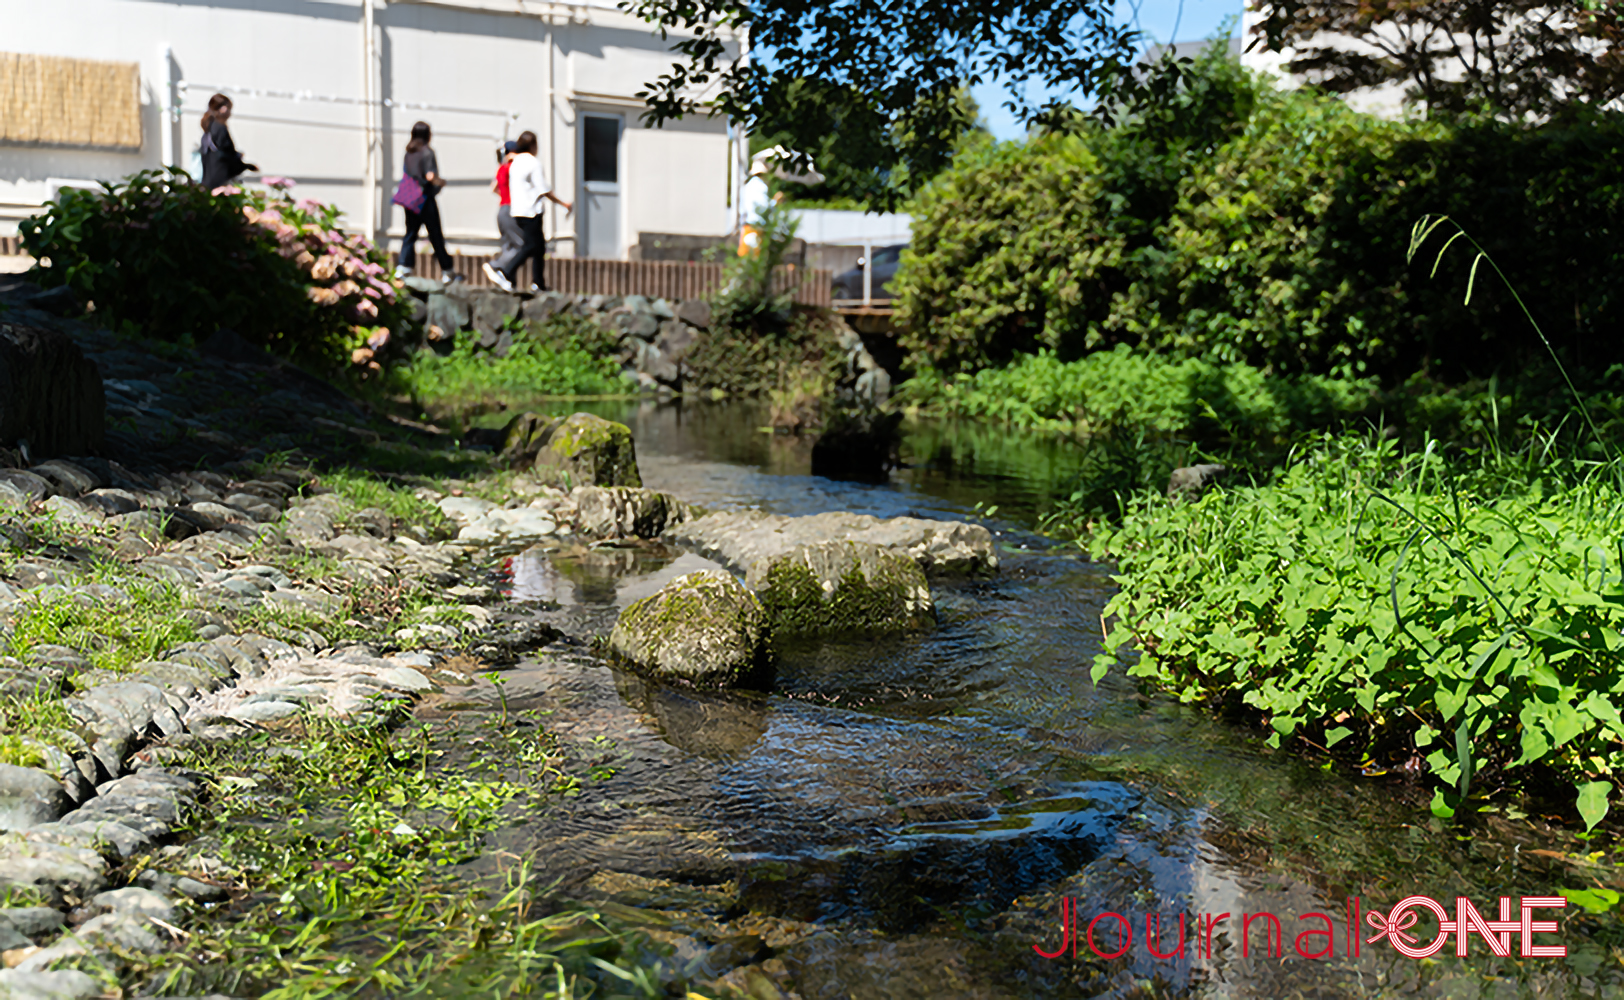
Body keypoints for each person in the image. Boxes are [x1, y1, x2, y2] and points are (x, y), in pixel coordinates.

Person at [484, 131, 570, 293]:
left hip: (516, 211)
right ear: (533, 145)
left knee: (538, 247)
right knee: (530, 245)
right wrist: (562, 203)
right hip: (531, 211)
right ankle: (505, 272)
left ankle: (538, 282)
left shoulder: (515, 163)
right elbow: (543, 189)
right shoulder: (533, 163)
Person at [395, 121, 459, 282]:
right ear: (427, 135)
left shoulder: (409, 153)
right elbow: (430, 176)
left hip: (409, 198)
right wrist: (441, 182)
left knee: (410, 233)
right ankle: (447, 270)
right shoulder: (427, 152)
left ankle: (404, 266)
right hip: (424, 197)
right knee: (435, 234)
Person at [198, 94, 257, 191]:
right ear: (222, 108)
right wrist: (243, 163)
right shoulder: (219, 128)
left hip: (208, 178)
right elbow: (225, 153)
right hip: (220, 179)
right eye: (229, 108)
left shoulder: (209, 127)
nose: (230, 112)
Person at [490, 140, 522, 271]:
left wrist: (504, 193)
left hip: (502, 209)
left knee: (507, 245)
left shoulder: (501, 168)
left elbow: (493, 187)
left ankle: (506, 278)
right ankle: (496, 266)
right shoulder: (513, 168)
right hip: (510, 209)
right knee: (520, 245)